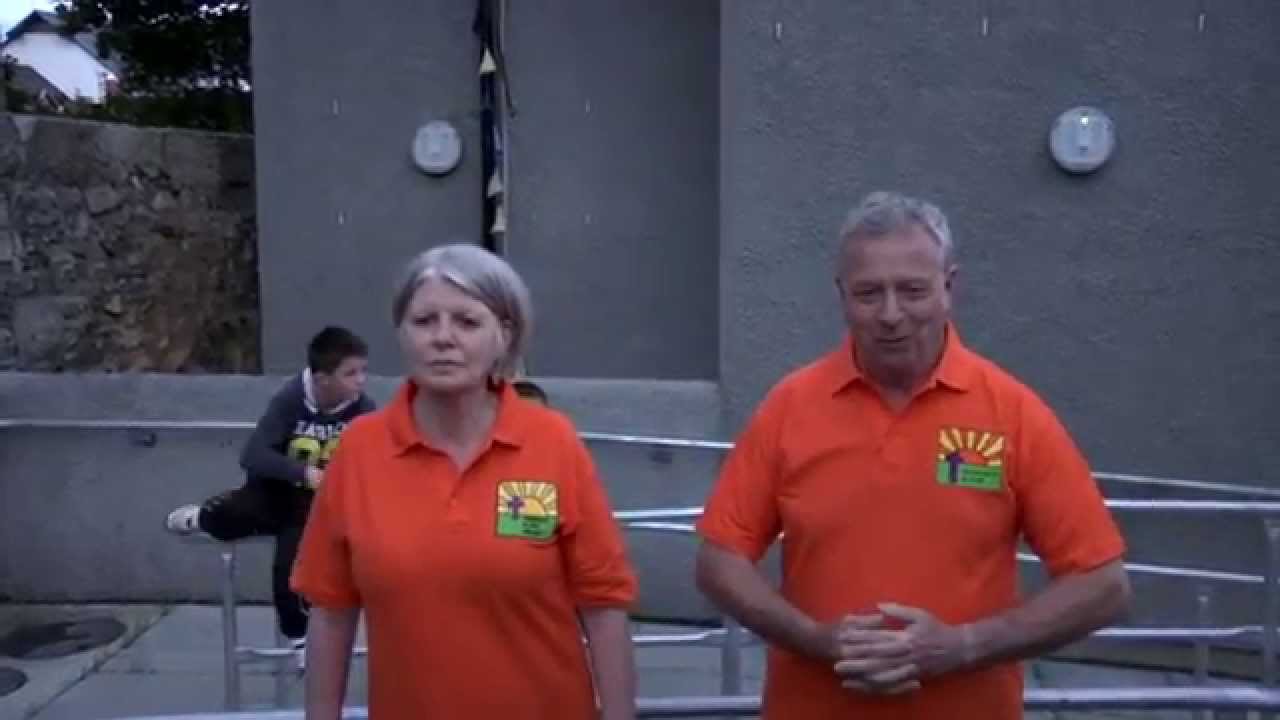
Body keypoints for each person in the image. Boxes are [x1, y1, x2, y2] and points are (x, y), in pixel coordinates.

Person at [694, 191, 1131, 719]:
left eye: (913, 290)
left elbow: (1103, 585)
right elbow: (719, 561)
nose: (891, 315)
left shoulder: (1012, 412)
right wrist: (815, 639)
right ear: (841, 296)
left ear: (949, 286)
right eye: (869, 293)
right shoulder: (791, 406)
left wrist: (964, 646)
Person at [291, 244, 638, 720]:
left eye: (467, 322)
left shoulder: (552, 441)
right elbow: (331, 612)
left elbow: (604, 604)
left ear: (505, 334)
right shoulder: (359, 450)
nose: (443, 338)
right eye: (424, 321)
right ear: (402, 333)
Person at [165, 326, 375, 656]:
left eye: (363, 371)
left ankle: (299, 632)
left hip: (317, 504)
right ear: (322, 379)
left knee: (299, 541)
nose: (361, 381)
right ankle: (206, 517)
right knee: (239, 511)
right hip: (273, 490)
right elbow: (254, 455)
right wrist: (304, 472)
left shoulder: (363, 409)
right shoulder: (290, 400)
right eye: (351, 373)